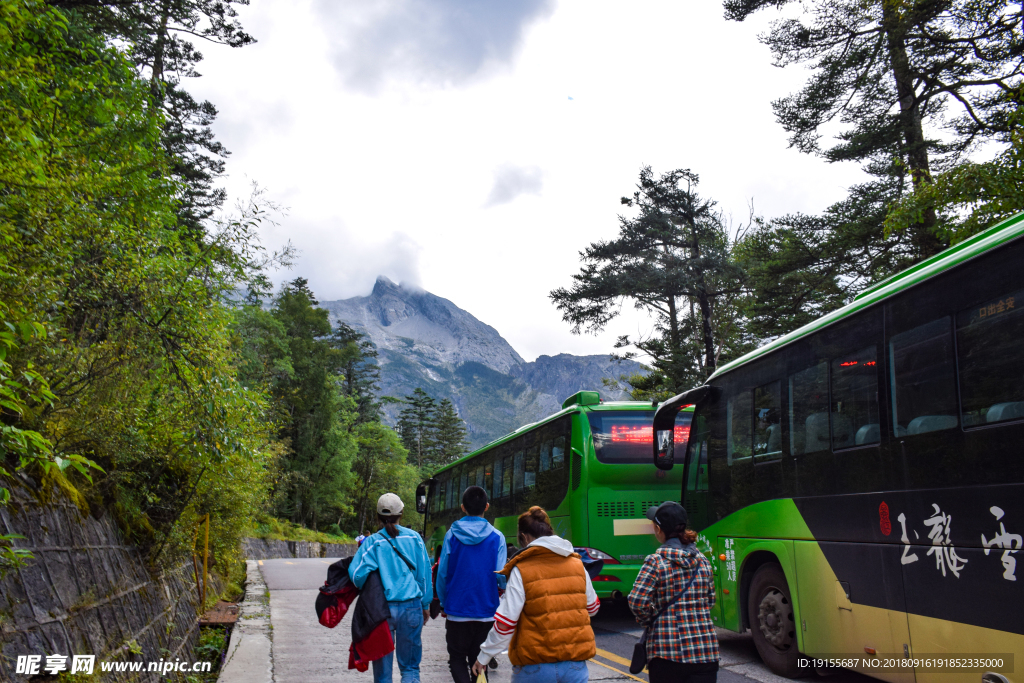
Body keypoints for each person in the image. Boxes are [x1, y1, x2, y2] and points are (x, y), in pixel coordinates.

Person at [472, 506, 599, 683]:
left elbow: (506, 623)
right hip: (575, 666)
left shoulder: (522, 569)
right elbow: (592, 607)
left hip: (535, 667)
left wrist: (484, 656)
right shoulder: (577, 564)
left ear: (524, 537)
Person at [627, 502, 719, 683]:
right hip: (705, 652)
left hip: (667, 653)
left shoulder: (656, 562)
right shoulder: (703, 561)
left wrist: (649, 620)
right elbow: (710, 601)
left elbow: (637, 601)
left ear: (659, 530)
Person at [349, 493, 433, 683]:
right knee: (410, 668)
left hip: (381, 612)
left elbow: (356, 575)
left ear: (377, 516)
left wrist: (372, 585)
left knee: (383, 675)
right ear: (401, 513)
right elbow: (424, 575)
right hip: (411, 607)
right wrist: (425, 604)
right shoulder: (415, 539)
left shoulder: (373, 542)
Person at [436, 486, 507, 683]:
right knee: (480, 662)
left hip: (457, 611)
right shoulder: (497, 537)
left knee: (457, 659)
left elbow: (442, 574)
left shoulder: (451, 535)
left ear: (462, 507)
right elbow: (501, 576)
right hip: (486, 611)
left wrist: (443, 602)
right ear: (487, 506)